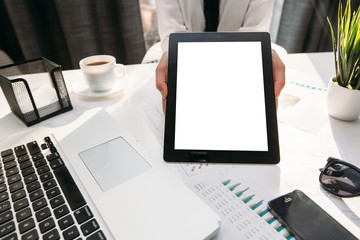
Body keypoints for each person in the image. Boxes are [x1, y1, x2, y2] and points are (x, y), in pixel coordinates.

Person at [154, 0, 285, 113]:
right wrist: (171, 52)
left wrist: (262, 52)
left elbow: (255, 31)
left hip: (238, 69)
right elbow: (172, 30)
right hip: (188, 69)